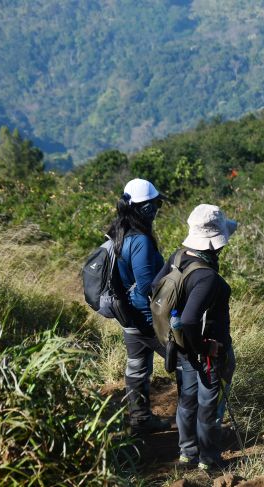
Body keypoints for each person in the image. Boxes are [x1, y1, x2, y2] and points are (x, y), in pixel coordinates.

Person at [152, 204, 237, 471]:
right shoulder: (207, 276)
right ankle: (208, 459)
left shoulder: (177, 257)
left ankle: (187, 453)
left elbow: (154, 288)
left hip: (182, 348)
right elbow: (190, 319)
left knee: (187, 400)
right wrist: (205, 346)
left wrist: (182, 339)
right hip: (207, 352)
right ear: (215, 243)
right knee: (208, 404)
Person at [107, 178, 170, 434]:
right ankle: (197, 426)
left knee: (137, 364)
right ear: (144, 207)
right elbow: (147, 285)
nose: (156, 209)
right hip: (146, 318)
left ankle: (140, 419)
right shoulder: (141, 240)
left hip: (127, 315)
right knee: (186, 362)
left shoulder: (117, 234)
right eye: (154, 204)